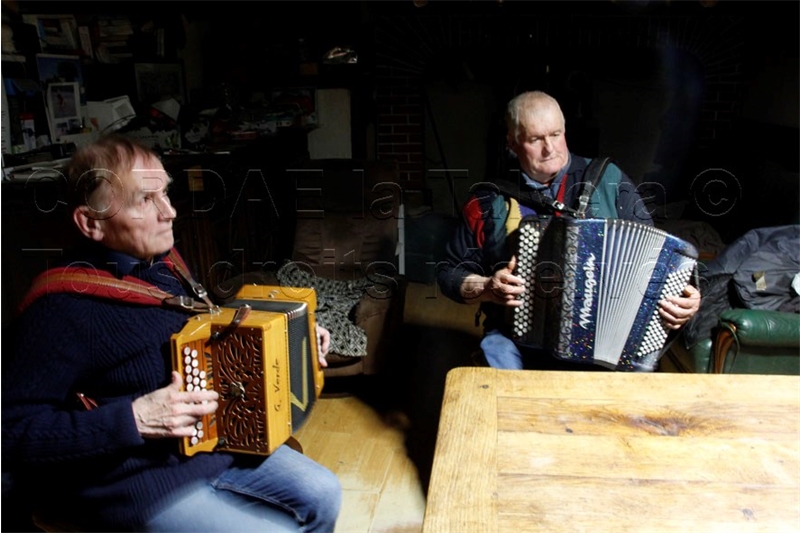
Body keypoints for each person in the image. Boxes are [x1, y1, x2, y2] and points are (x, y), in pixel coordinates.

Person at [1, 135, 342, 532]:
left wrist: (293, 341)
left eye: (165, 192)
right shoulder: (59, 308)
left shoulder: (163, 263)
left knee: (325, 493)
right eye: (145, 200)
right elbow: (11, 433)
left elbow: (203, 338)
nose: (171, 212)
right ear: (91, 223)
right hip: (134, 481)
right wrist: (133, 419)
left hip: (213, 442)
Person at [436, 90, 701, 371]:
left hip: (607, 340)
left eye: (555, 134)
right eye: (535, 139)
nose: (549, 148)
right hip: (518, 340)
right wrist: (487, 288)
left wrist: (690, 295)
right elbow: (449, 272)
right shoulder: (488, 201)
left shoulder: (609, 180)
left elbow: (658, 255)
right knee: (501, 376)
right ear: (512, 143)